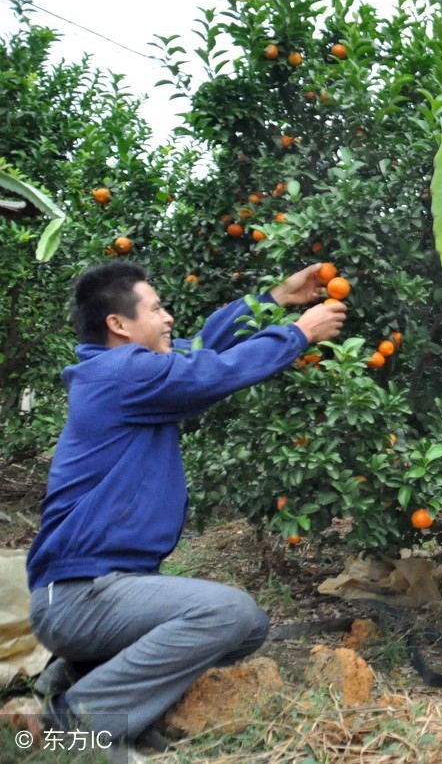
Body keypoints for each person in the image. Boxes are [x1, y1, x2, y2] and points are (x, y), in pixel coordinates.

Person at [23, 260, 345, 751]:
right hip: (79, 596)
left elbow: (202, 350)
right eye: (157, 308)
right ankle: (73, 725)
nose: (169, 317)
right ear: (119, 325)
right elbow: (214, 370)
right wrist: (298, 334)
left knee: (247, 629)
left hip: (104, 593)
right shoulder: (120, 373)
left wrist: (276, 298)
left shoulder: (128, 370)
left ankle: (68, 676)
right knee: (226, 615)